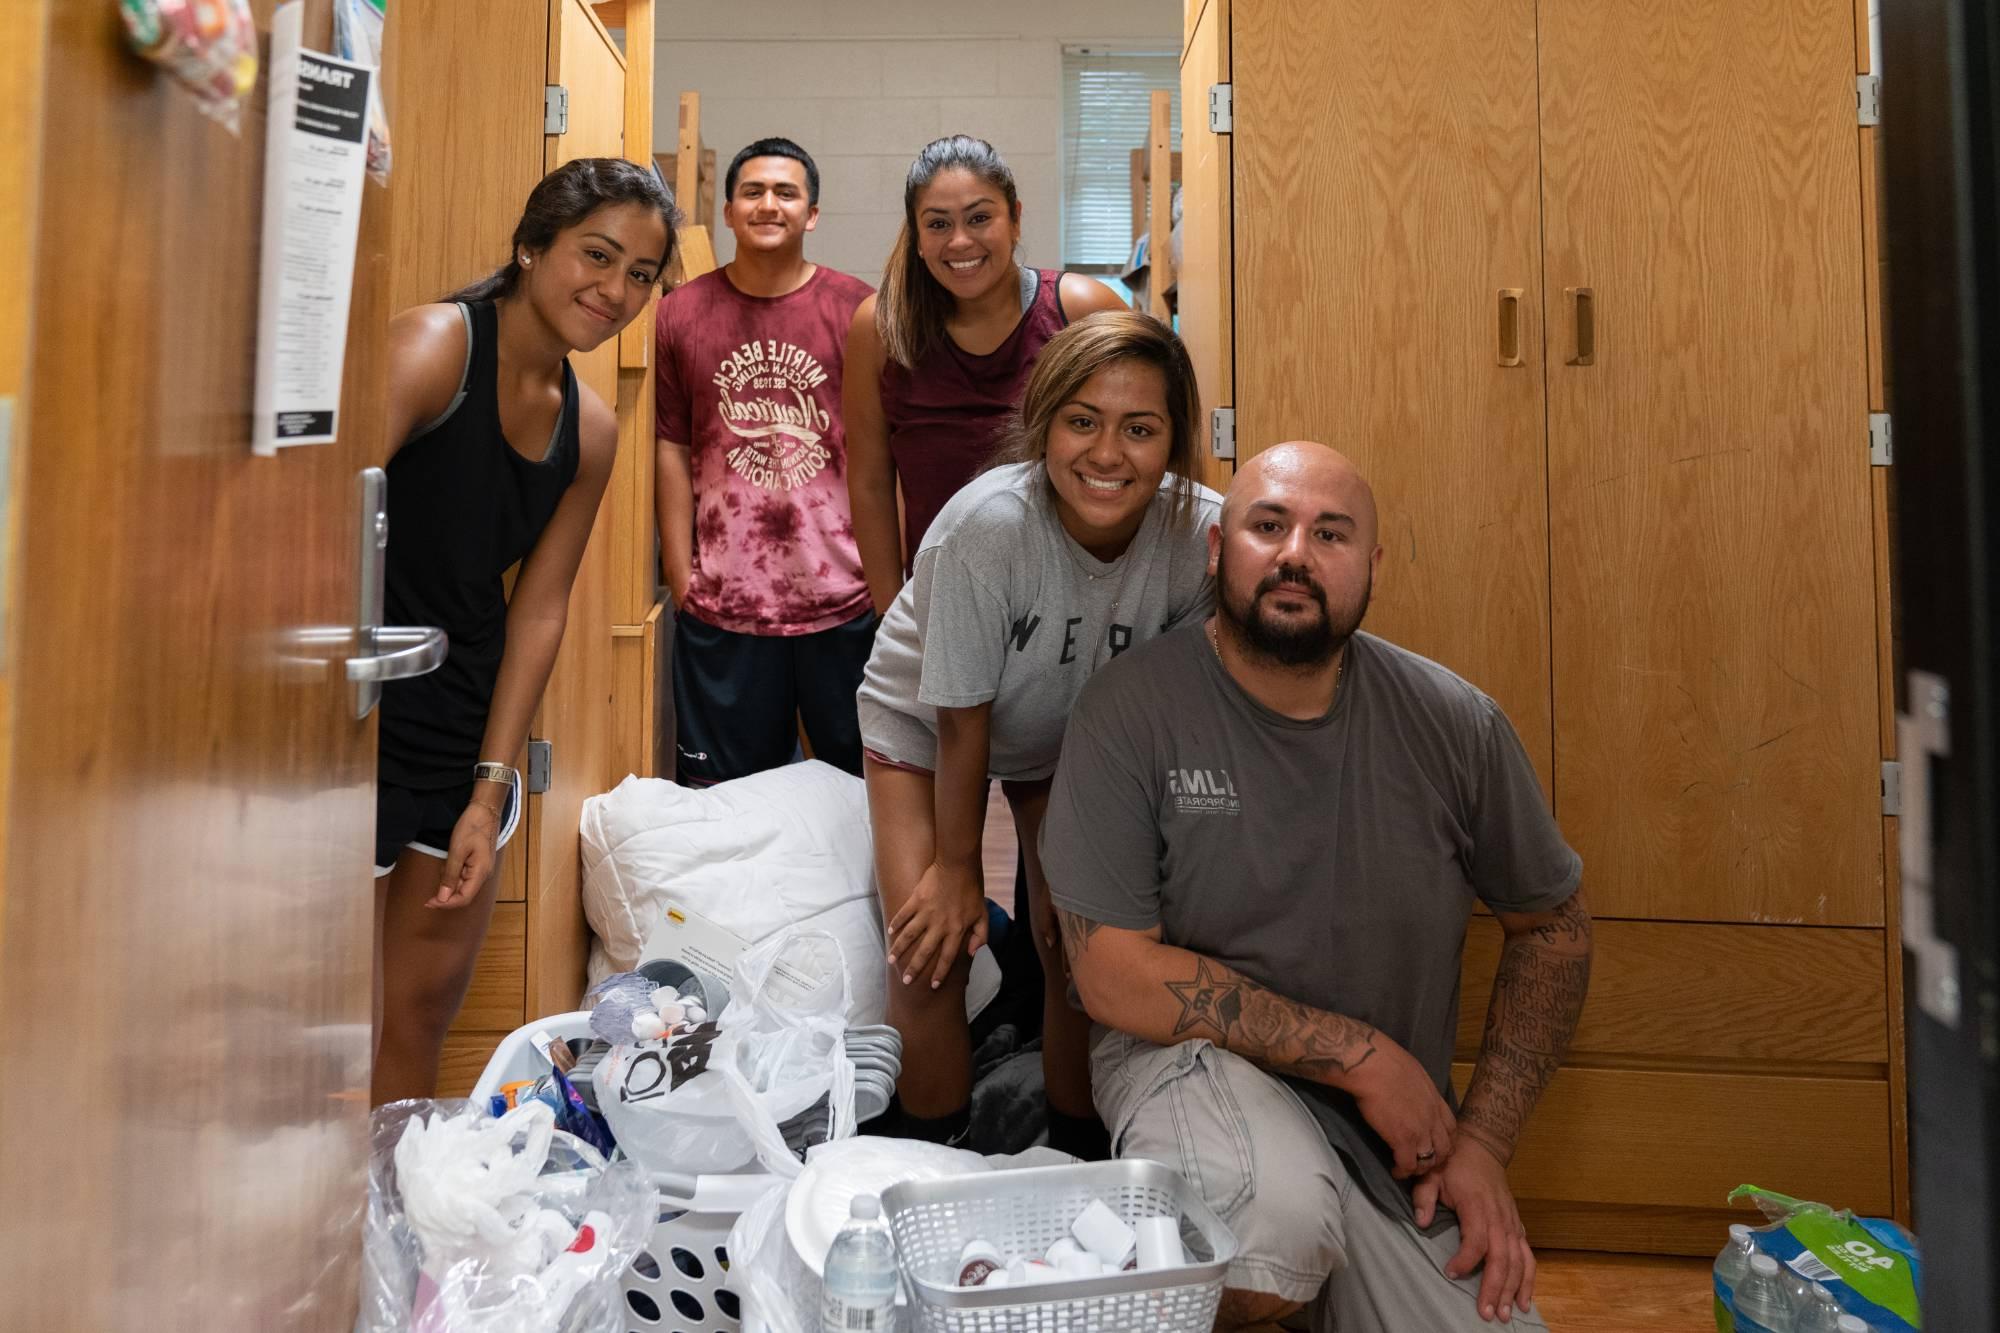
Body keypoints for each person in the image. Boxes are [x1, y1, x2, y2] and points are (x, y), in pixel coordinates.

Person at [1044, 442, 1592, 1331]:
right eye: (1269, 525)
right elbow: (1110, 972)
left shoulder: (1454, 723)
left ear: (1371, 568)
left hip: (1388, 1145)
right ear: (1220, 549)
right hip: (1192, 1065)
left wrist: (1485, 1143)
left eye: (1330, 534)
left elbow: (1555, 926)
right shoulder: (1130, 708)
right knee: (1272, 1231)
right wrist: (1361, 1055)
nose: (1296, 552)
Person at [855, 310, 1221, 1158]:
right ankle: (926, 1160)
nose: (1106, 453)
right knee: (928, 950)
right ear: (1043, 425)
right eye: (1082, 422)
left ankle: (1074, 1160)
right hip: (925, 723)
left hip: (1069, 735)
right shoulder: (991, 527)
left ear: (1174, 440)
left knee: (1076, 944)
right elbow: (960, 718)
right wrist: (953, 870)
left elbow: (1186, 704)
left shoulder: (1197, 534)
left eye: (1140, 429)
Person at [373, 158, 676, 1104]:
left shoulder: (588, 426)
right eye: (597, 254)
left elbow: (540, 607)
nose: (615, 288)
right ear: (531, 245)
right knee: (306, 1015)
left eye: (640, 274)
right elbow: (310, 520)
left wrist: (489, 784)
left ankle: (387, 1227)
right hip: (349, 712)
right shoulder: (432, 347)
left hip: (458, 726)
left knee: (416, 1016)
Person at [655, 137, 876, 784]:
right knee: (726, 800)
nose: (768, 204)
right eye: (752, 191)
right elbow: (670, 443)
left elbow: (882, 448)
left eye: (786, 192)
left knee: (861, 796)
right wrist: (679, 570)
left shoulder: (857, 310)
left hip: (843, 596)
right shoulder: (681, 313)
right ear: (728, 211)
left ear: (811, 214)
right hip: (722, 601)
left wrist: (886, 578)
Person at [843, 134, 1130, 610]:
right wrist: (889, 614)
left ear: (1015, 219)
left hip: (1073, 602)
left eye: (980, 218)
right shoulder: (879, 328)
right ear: (916, 238)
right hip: (941, 600)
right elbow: (870, 482)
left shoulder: (1082, 309)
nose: (960, 241)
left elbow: (1153, 443)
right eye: (938, 224)